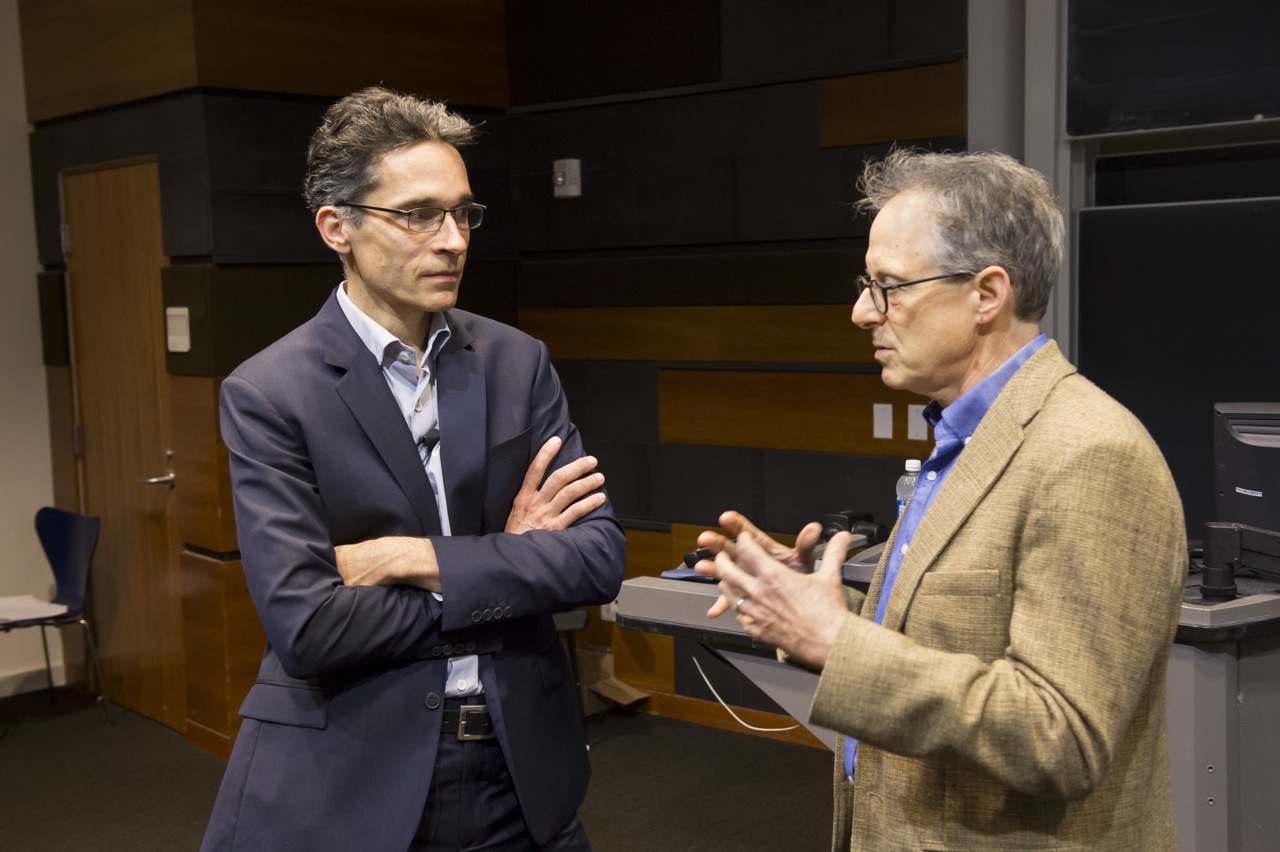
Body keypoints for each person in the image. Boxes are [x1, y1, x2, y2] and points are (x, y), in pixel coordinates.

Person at [696, 149, 1187, 850]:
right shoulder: (963, 439)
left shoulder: (1091, 454)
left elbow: (1062, 734)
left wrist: (838, 644)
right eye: (867, 284)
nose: (863, 312)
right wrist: (815, 609)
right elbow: (951, 637)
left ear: (987, 294)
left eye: (889, 286)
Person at [200, 87, 626, 852]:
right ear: (338, 227)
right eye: (418, 214)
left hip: (521, 772)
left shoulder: (514, 363)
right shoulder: (270, 393)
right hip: (354, 774)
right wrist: (511, 565)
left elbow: (596, 559)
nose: (453, 239)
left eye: (463, 213)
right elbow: (309, 626)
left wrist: (415, 561)